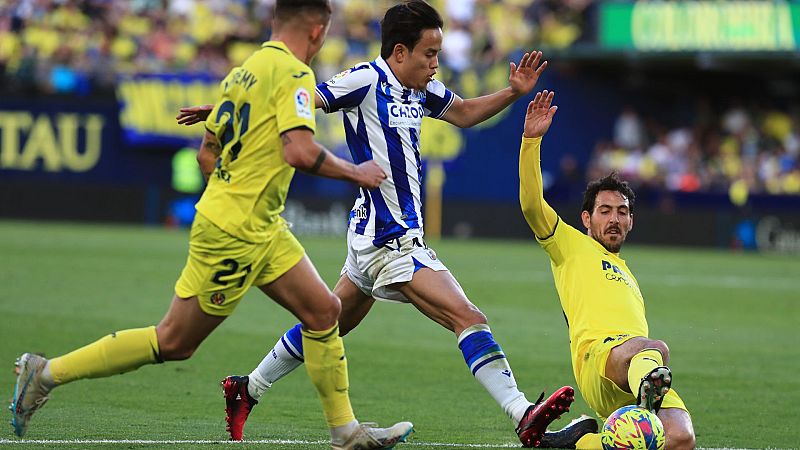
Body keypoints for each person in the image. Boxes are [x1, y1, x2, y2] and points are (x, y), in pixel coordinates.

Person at [10, 2, 415, 449]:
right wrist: (356, 172)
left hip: (260, 226)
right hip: (236, 233)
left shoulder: (244, 72)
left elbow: (208, 153)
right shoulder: (295, 74)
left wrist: (233, 187)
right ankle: (45, 374)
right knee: (175, 341)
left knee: (324, 311)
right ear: (318, 32)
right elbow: (299, 151)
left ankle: (346, 433)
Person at [179, 1, 575, 447]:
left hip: (369, 234)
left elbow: (463, 113)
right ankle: (523, 415)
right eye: (429, 54)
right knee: (467, 317)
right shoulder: (366, 80)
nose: (435, 64)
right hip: (390, 239)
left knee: (327, 321)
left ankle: (247, 388)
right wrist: (225, 109)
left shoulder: (423, 89)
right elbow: (301, 102)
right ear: (400, 52)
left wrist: (513, 92)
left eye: (438, 55)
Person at [516, 90, 697, 449]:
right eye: (605, 210)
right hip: (600, 359)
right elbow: (532, 204)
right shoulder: (570, 245)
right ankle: (648, 389)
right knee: (654, 347)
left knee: (680, 439)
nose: (614, 218)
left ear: (631, 221)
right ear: (586, 218)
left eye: (622, 212)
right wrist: (531, 140)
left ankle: (581, 443)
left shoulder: (628, 275)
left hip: (633, 367)